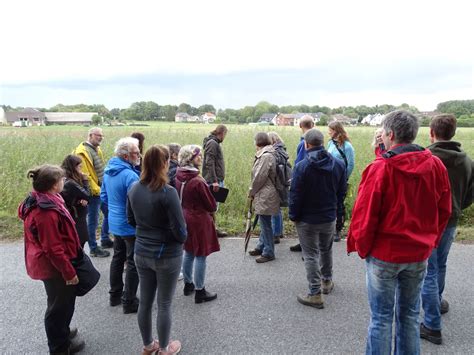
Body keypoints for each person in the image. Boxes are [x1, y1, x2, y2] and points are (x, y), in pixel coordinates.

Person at [347, 110, 452, 355]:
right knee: (410, 316)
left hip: (385, 255)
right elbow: (444, 210)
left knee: (381, 318)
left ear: (390, 134)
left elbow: (365, 215)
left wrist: (362, 247)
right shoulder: (435, 165)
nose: (381, 137)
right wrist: (430, 241)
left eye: (383, 132)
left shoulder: (381, 168)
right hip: (418, 254)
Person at [19, 164, 85, 354]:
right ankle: (59, 346)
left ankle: (61, 331)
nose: (64, 181)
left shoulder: (42, 199)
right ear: (54, 184)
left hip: (51, 263)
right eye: (62, 179)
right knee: (59, 306)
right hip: (54, 267)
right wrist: (69, 273)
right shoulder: (45, 212)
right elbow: (53, 249)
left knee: (59, 302)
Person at [127, 145, 186, 355]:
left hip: (141, 252)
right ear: (165, 163)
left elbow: (131, 220)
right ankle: (163, 348)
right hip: (167, 255)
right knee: (164, 303)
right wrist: (174, 237)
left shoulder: (134, 188)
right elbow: (181, 231)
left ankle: (148, 345)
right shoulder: (167, 192)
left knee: (145, 302)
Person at [420, 114, 473, 345]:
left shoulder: (425, 158)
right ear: (454, 132)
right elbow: (471, 194)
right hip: (451, 220)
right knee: (440, 264)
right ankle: (437, 302)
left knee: (429, 270)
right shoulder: (466, 160)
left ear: (431, 132)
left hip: (428, 222)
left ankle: (431, 325)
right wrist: (457, 205)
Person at [289, 129, 346, 308]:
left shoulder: (302, 166)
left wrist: (294, 215)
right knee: (326, 249)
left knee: (310, 254)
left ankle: (315, 292)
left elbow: (296, 195)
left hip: (307, 218)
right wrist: (336, 211)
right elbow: (341, 192)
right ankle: (327, 281)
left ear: (306, 144)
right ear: (323, 143)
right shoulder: (338, 164)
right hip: (328, 215)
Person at [101, 137, 141, 313]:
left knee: (118, 257)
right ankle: (129, 300)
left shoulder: (109, 171)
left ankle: (114, 295)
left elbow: (103, 197)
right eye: (136, 153)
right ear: (126, 156)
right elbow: (137, 202)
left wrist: (113, 212)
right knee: (133, 261)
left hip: (115, 222)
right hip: (129, 224)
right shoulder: (130, 175)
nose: (139, 155)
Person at [176, 145, 220, 303]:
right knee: (201, 254)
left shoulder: (178, 175)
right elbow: (211, 206)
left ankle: (188, 284)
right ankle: (200, 291)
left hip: (185, 215)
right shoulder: (197, 180)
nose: (200, 158)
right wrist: (212, 194)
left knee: (188, 251)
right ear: (190, 158)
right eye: (197, 156)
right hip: (199, 219)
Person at [73, 127, 111, 257]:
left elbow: (99, 169)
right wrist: (96, 190)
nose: (101, 138)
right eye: (98, 135)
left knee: (109, 213)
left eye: (102, 136)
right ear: (90, 135)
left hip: (101, 189)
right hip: (93, 192)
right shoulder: (81, 152)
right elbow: (85, 175)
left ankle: (105, 239)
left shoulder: (96, 149)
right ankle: (94, 248)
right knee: (93, 220)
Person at [248, 132, 279, 263]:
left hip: (265, 193)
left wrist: (251, 191)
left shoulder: (266, 156)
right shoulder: (269, 153)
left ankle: (268, 252)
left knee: (265, 223)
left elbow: (259, 177)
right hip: (266, 192)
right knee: (263, 221)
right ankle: (261, 246)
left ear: (257, 142)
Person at [327, 121, 355, 242]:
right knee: (329, 203)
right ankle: (329, 229)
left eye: (331, 130)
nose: (329, 132)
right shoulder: (330, 143)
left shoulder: (347, 146)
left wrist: (344, 178)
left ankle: (337, 230)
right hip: (329, 179)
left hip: (340, 180)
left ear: (337, 131)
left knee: (338, 204)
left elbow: (351, 164)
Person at [290, 115, 314, 252]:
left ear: (300, 126)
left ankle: (305, 244)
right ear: (313, 125)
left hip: (304, 183)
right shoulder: (318, 140)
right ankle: (307, 243)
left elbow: (299, 165)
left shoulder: (304, 143)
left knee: (303, 215)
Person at [202, 124, 228, 238]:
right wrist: (214, 181)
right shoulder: (212, 143)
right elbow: (209, 162)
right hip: (214, 180)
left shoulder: (214, 142)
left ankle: (212, 229)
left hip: (216, 179)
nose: (224, 137)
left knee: (213, 207)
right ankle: (209, 230)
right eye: (225, 134)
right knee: (211, 207)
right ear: (221, 133)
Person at [60, 154, 91, 248]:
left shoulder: (64, 178)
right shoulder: (71, 183)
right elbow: (88, 195)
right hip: (76, 215)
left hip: (74, 212)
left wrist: (81, 199)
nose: (81, 167)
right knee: (79, 241)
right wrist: (86, 181)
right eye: (79, 165)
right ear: (73, 167)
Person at [268, 131, 288, 244]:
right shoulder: (282, 150)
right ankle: (279, 232)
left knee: (274, 209)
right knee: (277, 209)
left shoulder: (275, 152)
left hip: (276, 184)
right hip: (282, 183)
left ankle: (276, 234)